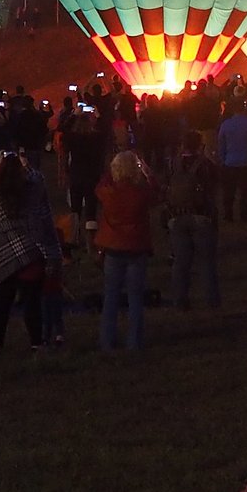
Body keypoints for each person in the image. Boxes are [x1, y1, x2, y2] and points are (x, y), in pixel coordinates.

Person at [0, 152, 56, 358]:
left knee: (2, 302)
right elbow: (39, 180)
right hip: (30, 253)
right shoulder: (32, 190)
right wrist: (27, 166)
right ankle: (36, 343)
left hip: (1, 252)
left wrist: (0, 166)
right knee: (32, 301)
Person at [94, 149, 157, 352]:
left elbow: (100, 185)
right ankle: (134, 341)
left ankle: (107, 340)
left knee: (111, 295)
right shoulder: (141, 193)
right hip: (136, 246)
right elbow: (155, 190)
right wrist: (146, 171)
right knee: (135, 297)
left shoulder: (108, 192)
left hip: (113, 246)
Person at [165, 129, 221, 311]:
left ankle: (180, 300)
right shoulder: (204, 165)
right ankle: (212, 301)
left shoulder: (174, 164)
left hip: (177, 216)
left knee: (180, 263)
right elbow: (215, 184)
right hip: (200, 216)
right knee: (207, 262)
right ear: (199, 145)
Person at [214, 91, 247, 223]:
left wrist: (222, 158)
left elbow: (221, 143)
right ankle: (244, 214)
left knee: (229, 190)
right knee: (245, 190)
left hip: (230, 161)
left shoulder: (226, 125)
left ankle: (228, 214)